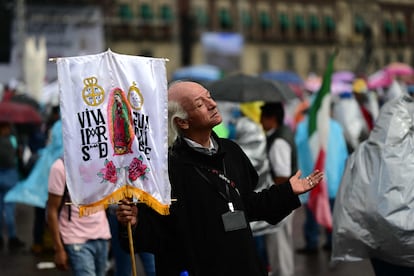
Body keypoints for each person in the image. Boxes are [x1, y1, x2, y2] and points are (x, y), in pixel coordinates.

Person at [116, 81, 323, 276]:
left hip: (243, 265)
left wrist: (287, 191)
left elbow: (249, 205)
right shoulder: (163, 169)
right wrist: (134, 224)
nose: (213, 104)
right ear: (182, 122)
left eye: (209, 97)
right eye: (200, 104)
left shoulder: (231, 150)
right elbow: (158, 234)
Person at [47, 157, 111, 275]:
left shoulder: (102, 160)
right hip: (76, 240)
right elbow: (52, 210)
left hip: (102, 236)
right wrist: (59, 249)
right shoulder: (60, 167)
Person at [259, 102, 297, 276]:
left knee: (278, 247)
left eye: (262, 117)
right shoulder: (283, 133)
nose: (260, 121)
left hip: (282, 199)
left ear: (272, 118)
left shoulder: (278, 140)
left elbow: (282, 175)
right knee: (281, 245)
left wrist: (273, 199)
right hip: (286, 198)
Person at [0, 122, 25, 252]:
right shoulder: (11, 141)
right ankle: (12, 237)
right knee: (9, 208)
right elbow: (17, 158)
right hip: (9, 176)